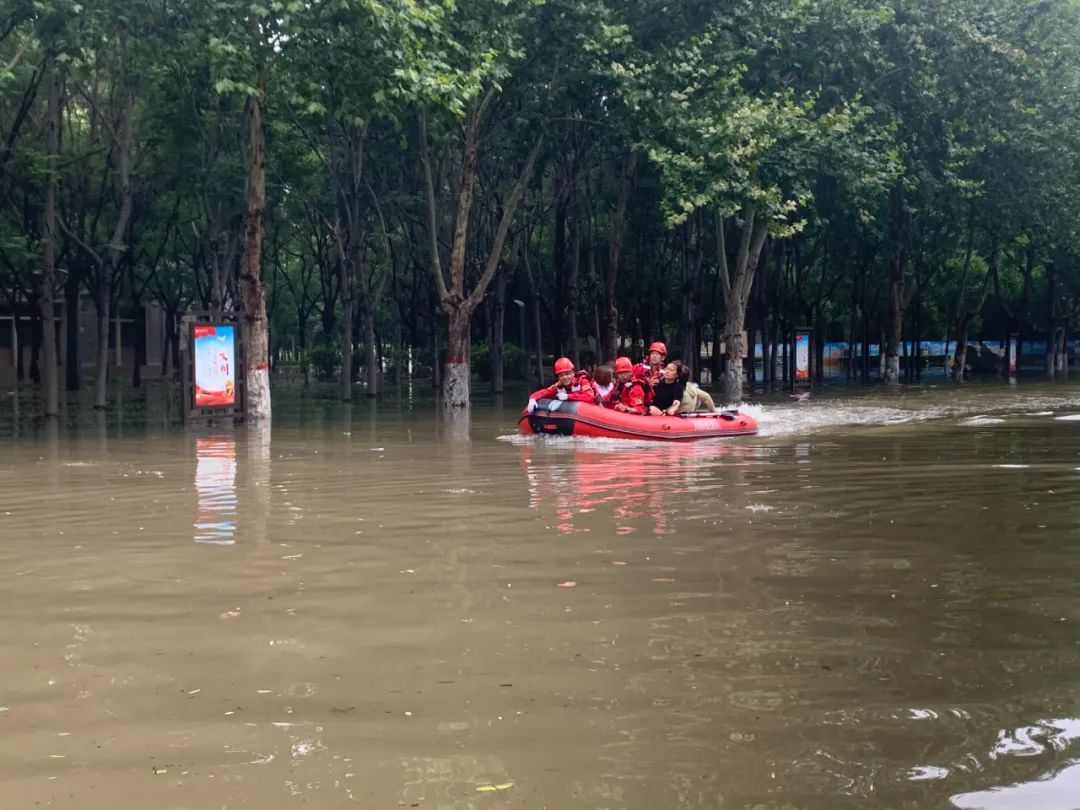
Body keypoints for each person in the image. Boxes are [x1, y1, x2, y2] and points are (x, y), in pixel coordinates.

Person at [526, 357, 598, 413]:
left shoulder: (583, 381)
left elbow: (589, 396)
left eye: (567, 374)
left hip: (590, 411)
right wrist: (532, 399)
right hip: (572, 413)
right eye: (561, 375)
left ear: (572, 373)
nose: (565, 377)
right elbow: (544, 392)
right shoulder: (558, 385)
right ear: (558, 377)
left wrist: (568, 396)